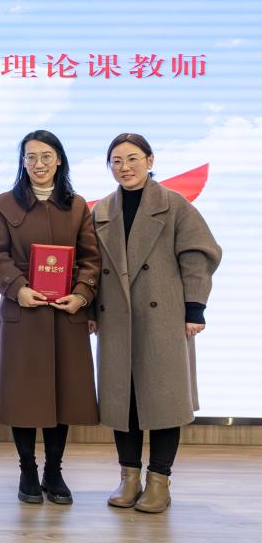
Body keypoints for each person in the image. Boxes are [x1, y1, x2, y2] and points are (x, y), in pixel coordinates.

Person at [91, 133, 221, 513]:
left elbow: (198, 255)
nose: (124, 167)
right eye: (116, 161)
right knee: (123, 400)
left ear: (150, 160)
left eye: (132, 158)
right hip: (115, 319)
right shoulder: (101, 209)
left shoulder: (174, 204)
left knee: (164, 399)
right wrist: (89, 312)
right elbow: (91, 266)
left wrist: (195, 308)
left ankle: (159, 481)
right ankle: (129, 477)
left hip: (163, 315)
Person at [0, 129, 100, 505]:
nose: (38, 164)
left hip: (65, 313)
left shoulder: (77, 205)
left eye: (46, 156)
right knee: (22, 395)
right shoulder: (5, 204)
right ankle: (27, 470)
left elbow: (91, 258)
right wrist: (17, 287)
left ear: (59, 160)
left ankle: (54, 470)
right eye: (31, 157)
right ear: (22, 162)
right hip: (23, 312)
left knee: (63, 394)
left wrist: (82, 294)